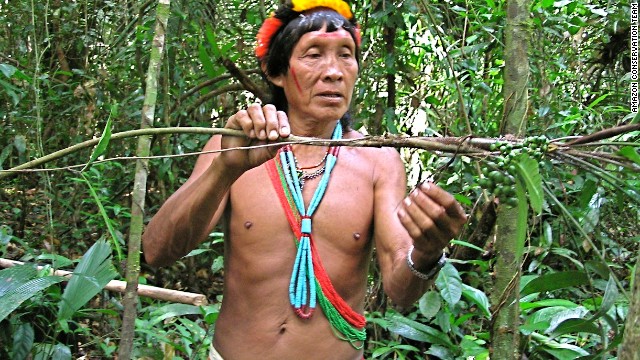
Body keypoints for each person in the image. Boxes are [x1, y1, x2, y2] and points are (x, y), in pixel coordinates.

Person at [142, 1, 467, 359]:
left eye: (346, 55)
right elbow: (157, 252)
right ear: (277, 72)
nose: (334, 71)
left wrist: (427, 252)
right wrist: (225, 170)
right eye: (314, 55)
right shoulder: (231, 145)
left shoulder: (379, 161)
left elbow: (401, 291)